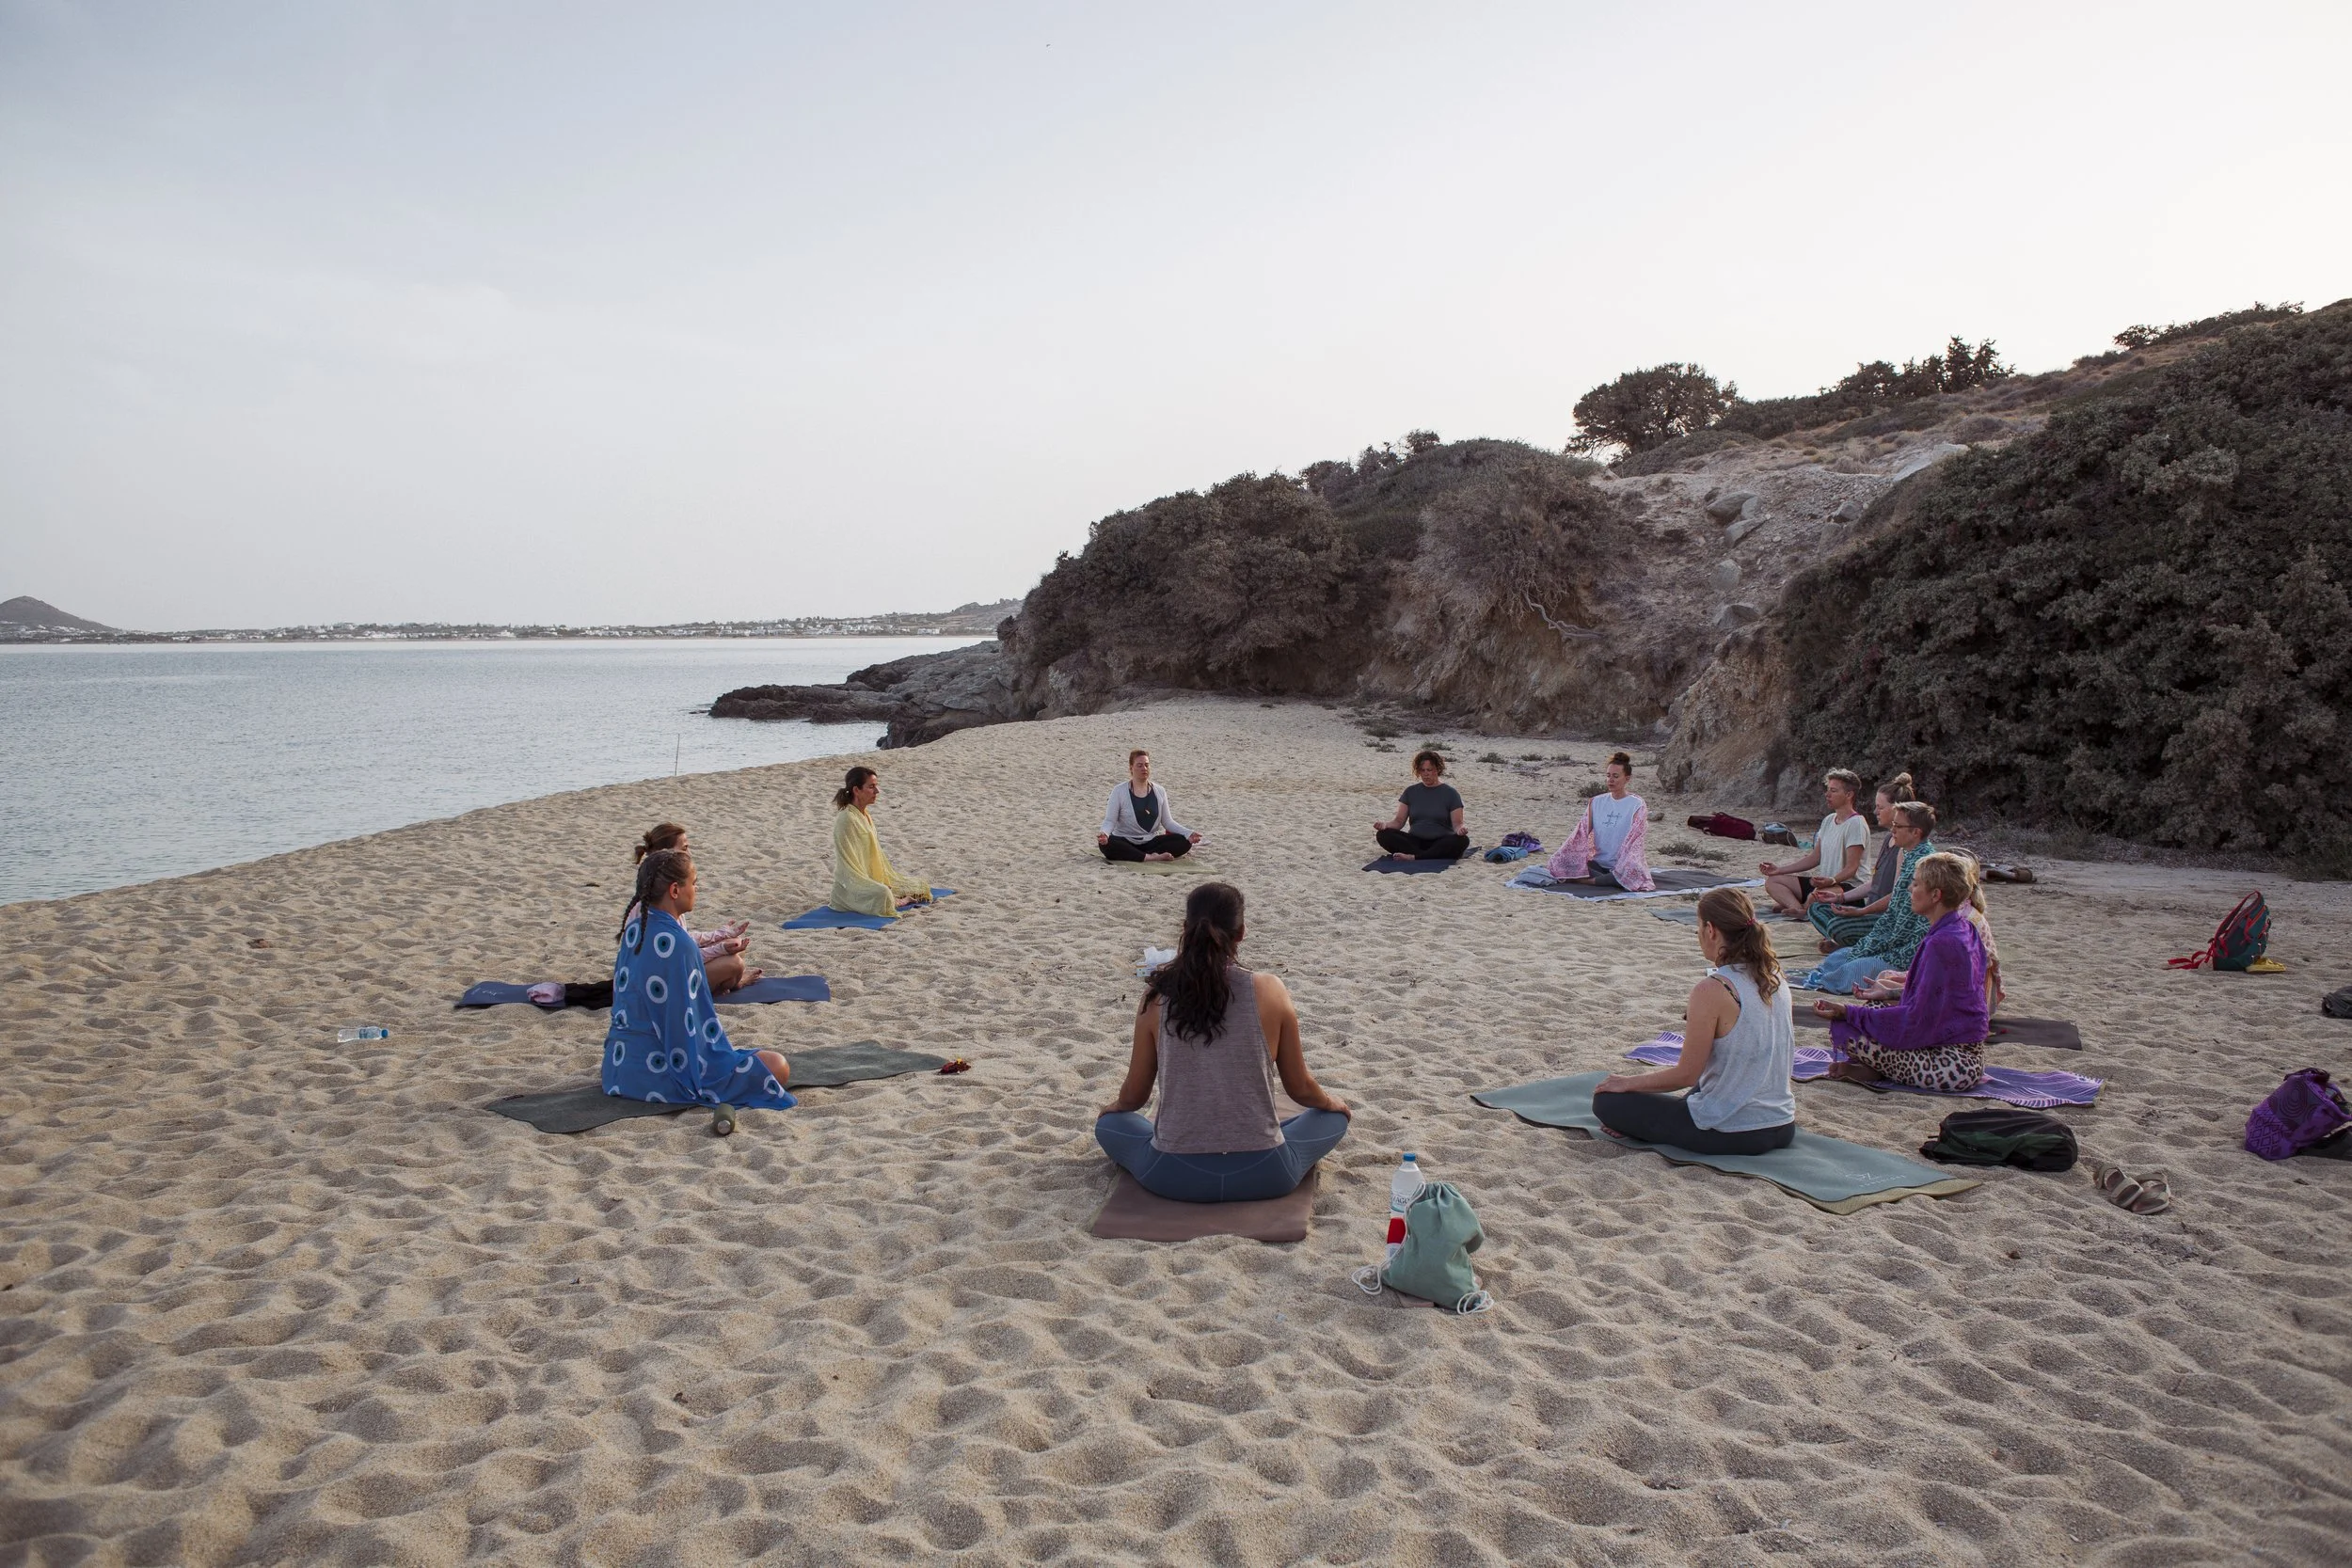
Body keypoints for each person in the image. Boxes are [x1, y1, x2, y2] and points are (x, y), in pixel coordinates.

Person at [1095, 882, 1351, 1202]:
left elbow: (1134, 1097)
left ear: (1186, 930)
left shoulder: (1158, 996)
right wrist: (1331, 1104)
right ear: (1241, 932)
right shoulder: (1270, 989)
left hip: (1173, 1176)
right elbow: (1299, 1088)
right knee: (1332, 1118)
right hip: (1267, 1174)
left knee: (1109, 1126)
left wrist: (1113, 1110)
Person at [1591, 887, 1796, 1153]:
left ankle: (1644, 1128)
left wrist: (1627, 1083)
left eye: (1698, 928)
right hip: (1782, 1125)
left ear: (1711, 930)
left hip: (1734, 1132)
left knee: (1606, 1102)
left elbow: (1686, 1075)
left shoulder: (1713, 989)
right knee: (1702, 1086)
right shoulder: (1775, 976)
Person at [603, 847, 795, 1111]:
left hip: (619, 1068)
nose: (696, 889)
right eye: (693, 884)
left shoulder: (635, 929)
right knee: (778, 1067)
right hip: (656, 1074)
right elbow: (688, 1027)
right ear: (674, 891)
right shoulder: (679, 944)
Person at [1813, 852, 1989, 1092]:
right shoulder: (1961, 927)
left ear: (1936, 895)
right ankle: (1874, 1069)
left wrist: (1847, 1012)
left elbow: (1918, 1019)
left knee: (1849, 1029)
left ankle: (1877, 1068)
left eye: (1916, 884)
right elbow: (1942, 995)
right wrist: (1890, 992)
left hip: (1952, 1065)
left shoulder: (1944, 941)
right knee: (1873, 1009)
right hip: (1963, 1053)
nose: (1909, 888)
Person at [1799, 801, 1939, 994]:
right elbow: (1893, 914)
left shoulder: (1924, 867)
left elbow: (1908, 930)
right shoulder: (1909, 855)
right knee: (1838, 959)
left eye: (1898, 826)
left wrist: (1871, 944)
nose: (1893, 830)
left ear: (1916, 832)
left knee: (1849, 970)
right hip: (1890, 935)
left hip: (1905, 952)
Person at [626, 823, 759, 992]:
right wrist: (719, 949)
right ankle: (729, 984)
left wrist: (721, 936)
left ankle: (725, 982)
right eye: (685, 848)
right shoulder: (656, 914)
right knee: (734, 963)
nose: (689, 853)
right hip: (663, 985)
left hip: (666, 971)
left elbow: (683, 942)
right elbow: (682, 955)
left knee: (734, 946)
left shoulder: (659, 899)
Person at [1808, 773, 1912, 950]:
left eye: (1880, 807)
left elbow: (1897, 897)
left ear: (1897, 810)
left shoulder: (1905, 847)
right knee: (1817, 908)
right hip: (1870, 908)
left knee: (1836, 926)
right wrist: (1840, 898)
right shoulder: (1889, 839)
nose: (1875, 812)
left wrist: (1861, 911)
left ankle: (1852, 942)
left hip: (1883, 916)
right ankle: (1847, 940)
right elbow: (1875, 882)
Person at [1760, 769, 1871, 915]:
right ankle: (1799, 908)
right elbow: (1815, 858)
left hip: (1850, 886)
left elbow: (1852, 868)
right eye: (1828, 790)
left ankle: (1804, 909)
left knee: (1814, 897)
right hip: (1826, 883)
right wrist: (1779, 870)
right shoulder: (1828, 820)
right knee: (1773, 881)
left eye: (1833, 791)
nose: (1827, 794)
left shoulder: (1856, 824)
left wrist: (1831, 880)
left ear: (1849, 794)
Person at [829, 767, 933, 919]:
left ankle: (892, 896)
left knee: (920, 885)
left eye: (876, 786)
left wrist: (881, 879)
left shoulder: (865, 814)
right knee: (882, 893)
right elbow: (848, 863)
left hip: (869, 877)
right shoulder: (847, 819)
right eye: (871, 787)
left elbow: (873, 854)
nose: (877, 791)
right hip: (849, 884)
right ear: (856, 790)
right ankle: (899, 901)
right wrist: (872, 884)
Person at [1541, 752, 1655, 891]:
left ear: (1627, 778)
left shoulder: (1637, 805)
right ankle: (1601, 879)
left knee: (1630, 874)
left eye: (1615, 776)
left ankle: (1590, 882)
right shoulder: (1596, 802)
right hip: (1598, 864)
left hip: (1622, 864)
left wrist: (1625, 866)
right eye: (1608, 776)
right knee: (1564, 863)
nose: (1610, 780)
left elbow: (1635, 842)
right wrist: (1562, 854)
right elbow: (1580, 833)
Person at [1098, 749, 1201, 863]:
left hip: (1151, 842)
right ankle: (1150, 857)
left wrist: (1188, 833)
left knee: (1184, 841)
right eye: (1140, 765)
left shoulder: (1159, 791)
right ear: (1131, 768)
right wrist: (1105, 834)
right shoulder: (1119, 791)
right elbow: (1110, 821)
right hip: (1125, 840)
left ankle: (1141, 855)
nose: (1144, 769)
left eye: (1147, 765)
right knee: (1107, 845)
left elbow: (1167, 822)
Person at [1374, 751, 1469, 861]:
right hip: (1414, 842)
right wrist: (1385, 825)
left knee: (1462, 840)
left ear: (1437, 769)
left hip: (1441, 841)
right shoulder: (1410, 792)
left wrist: (1461, 829)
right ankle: (1426, 855)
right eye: (1422, 770)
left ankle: (1415, 857)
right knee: (1383, 835)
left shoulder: (1451, 793)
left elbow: (1457, 824)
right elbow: (1398, 822)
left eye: (1429, 770)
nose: (1426, 774)